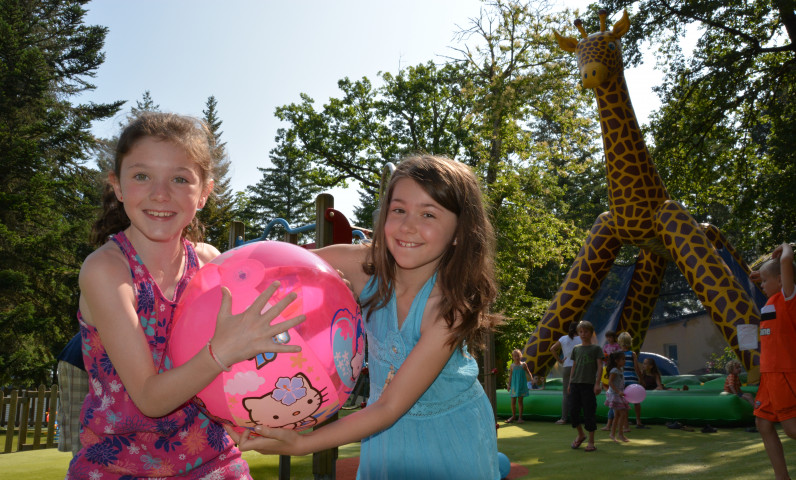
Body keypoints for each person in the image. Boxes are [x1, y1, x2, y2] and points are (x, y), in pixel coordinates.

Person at [227, 155, 503, 478]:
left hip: (448, 439)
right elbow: (284, 268)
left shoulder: (447, 309)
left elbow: (389, 407)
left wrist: (300, 444)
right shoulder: (363, 266)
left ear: (459, 232)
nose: (407, 226)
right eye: (398, 210)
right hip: (383, 436)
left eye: (428, 213)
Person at [66, 112, 305, 479]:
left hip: (211, 456)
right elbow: (149, 398)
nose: (160, 194)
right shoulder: (106, 271)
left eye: (180, 179)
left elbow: (255, 336)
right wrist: (223, 350)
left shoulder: (211, 264)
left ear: (204, 193)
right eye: (142, 176)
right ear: (117, 186)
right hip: (117, 464)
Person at [751, 243, 796, 480]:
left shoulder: (788, 298)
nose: (761, 285)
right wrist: (764, 274)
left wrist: (785, 247)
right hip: (769, 375)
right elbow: (774, 274)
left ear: (781, 280)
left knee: (791, 429)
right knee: (763, 424)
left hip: (784, 372)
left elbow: (787, 262)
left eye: (765, 282)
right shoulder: (772, 299)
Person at [568, 320, 603, 452]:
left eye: (586, 331)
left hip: (589, 385)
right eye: (580, 332)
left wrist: (597, 383)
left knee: (589, 412)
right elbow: (574, 366)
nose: (583, 334)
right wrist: (570, 383)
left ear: (591, 332)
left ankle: (591, 441)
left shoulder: (596, 349)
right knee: (573, 411)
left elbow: (600, 367)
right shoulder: (576, 349)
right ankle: (581, 434)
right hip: (575, 384)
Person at [56, 333, 89, 456]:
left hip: (72, 357)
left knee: (76, 414)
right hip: (79, 359)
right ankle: (82, 467)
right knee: (81, 416)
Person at [550, 322, 581, 424]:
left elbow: (552, 349)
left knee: (566, 394)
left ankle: (564, 418)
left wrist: (559, 360)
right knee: (578, 392)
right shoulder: (581, 339)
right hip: (578, 367)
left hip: (567, 366)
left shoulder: (563, 338)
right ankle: (576, 417)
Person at [618, 331, 647, 429]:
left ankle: (626, 424)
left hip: (622, 380)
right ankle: (638, 421)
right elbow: (636, 368)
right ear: (630, 342)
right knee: (637, 401)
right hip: (633, 380)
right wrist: (641, 379)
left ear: (619, 342)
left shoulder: (618, 354)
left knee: (624, 402)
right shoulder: (632, 354)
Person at [604, 351, 630, 443]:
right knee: (621, 414)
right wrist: (618, 391)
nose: (624, 361)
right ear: (616, 361)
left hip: (619, 394)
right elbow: (610, 382)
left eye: (624, 359)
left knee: (618, 415)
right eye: (622, 359)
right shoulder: (614, 370)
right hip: (615, 395)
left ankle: (614, 434)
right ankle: (619, 434)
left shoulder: (620, 370)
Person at [600, 330, 621, 431]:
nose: (609, 339)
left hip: (613, 368)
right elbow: (603, 357)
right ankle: (610, 425)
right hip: (608, 367)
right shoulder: (605, 347)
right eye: (607, 337)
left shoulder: (617, 346)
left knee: (614, 406)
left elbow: (619, 356)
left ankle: (612, 425)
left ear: (614, 338)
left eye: (610, 337)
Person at [506, 349, 534, 424]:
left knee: (520, 401)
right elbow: (511, 376)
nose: (517, 357)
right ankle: (513, 416)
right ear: (513, 357)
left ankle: (520, 417)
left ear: (520, 356)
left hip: (521, 385)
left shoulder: (523, 364)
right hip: (514, 386)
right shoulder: (512, 366)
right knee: (513, 402)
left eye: (518, 356)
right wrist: (509, 385)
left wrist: (531, 379)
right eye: (515, 356)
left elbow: (528, 372)